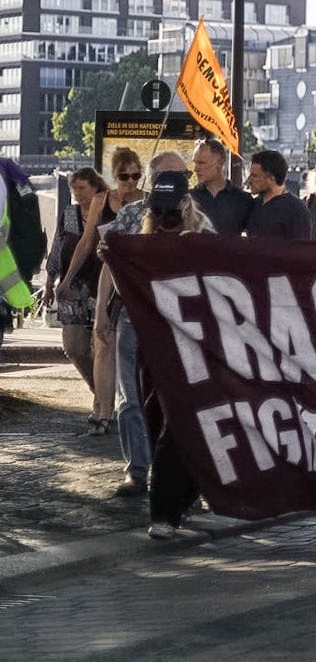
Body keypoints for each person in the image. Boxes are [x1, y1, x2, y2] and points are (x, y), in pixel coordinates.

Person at [92, 151, 194, 500]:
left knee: (176, 397)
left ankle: (178, 474)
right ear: (153, 178)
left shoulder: (196, 218)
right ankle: (137, 470)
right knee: (129, 396)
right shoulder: (132, 214)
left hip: (178, 323)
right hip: (132, 318)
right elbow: (109, 263)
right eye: (170, 176)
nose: (177, 183)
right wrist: (101, 314)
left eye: (182, 176)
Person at [62, 147, 143, 437]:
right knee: (101, 343)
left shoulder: (145, 203)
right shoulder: (101, 200)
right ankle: (104, 409)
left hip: (131, 282)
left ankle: (116, 405)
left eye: (136, 175)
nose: (130, 182)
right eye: (125, 176)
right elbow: (86, 242)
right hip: (103, 276)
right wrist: (66, 278)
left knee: (121, 346)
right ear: (114, 174)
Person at [49, 167, 107, 417]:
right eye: (74, 189)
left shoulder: (106, 211)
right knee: (73, 347)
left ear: (95, 187)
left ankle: (103, 404)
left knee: (99, 347)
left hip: (100, 283)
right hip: (72, 286)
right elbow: (57, 245)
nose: (78, 194)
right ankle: (101, 392)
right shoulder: (69, 214)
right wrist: (50, 281)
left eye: (82, 188)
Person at [189, 139, 254, 237]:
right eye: (195, 163)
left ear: (220, 163)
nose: (196, 169)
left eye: (201, 163)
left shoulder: (243, 200)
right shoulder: (188, 198)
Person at [245, 151, 316, 241]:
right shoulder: (253, 205)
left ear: (271, 178)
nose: (249, 181)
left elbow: (301, 250)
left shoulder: (296, 209)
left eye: (254, 176)